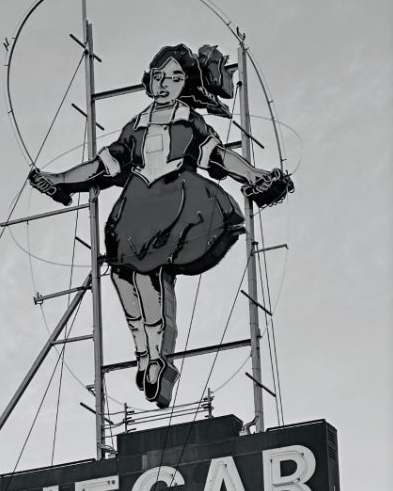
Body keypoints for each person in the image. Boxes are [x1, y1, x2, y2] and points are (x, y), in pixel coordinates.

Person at [30, 42, 292, 408]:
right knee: (121, 277)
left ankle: (157, 359)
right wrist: (59, 179)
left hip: (175, 199)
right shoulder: (134, 127)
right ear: (149, 81)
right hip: (134, 207)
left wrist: (254, 175)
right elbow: (102, 165)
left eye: (175, 76)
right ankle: (142, 354)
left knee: (148, 276)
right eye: (159, 76)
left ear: (185, 82)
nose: (165, 82)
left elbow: (217, 155)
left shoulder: (189, 120)